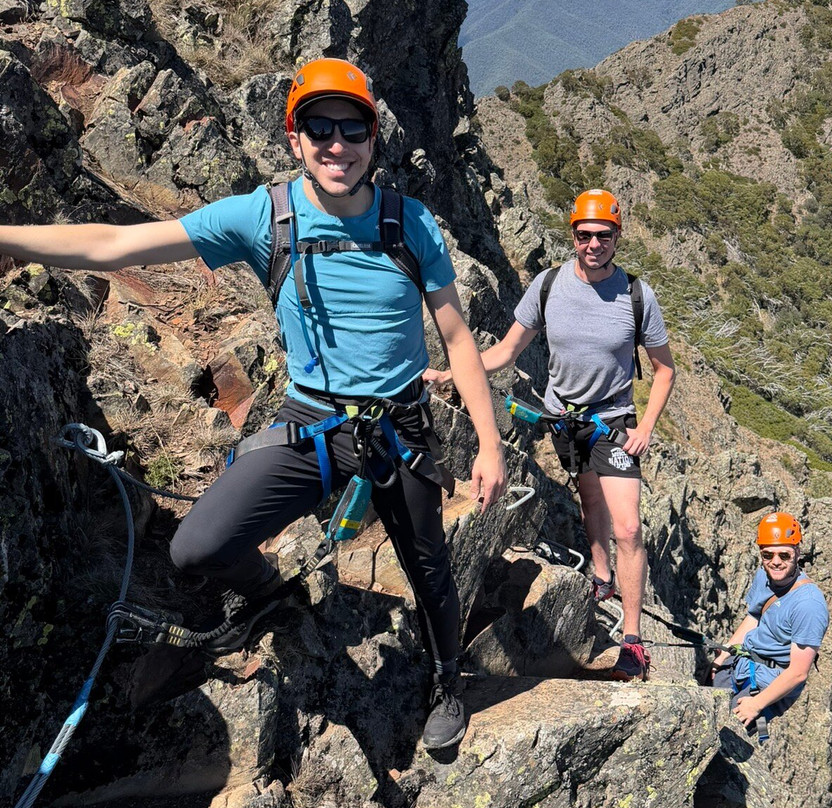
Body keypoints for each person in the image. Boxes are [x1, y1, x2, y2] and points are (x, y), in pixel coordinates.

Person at [0, 57, 507, 750]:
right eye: (317, 127)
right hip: (312, 421)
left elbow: (455, 335)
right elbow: (115, 244)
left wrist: (489, 444)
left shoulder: (409, 224)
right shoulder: (262, 216)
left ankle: (448, 678)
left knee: (429, 570)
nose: (336, 143)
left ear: (372, 140)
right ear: (293, 138)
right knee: (196, 546)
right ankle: (268, 588)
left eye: (351, 127)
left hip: (399, 424)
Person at [426, 188, 676, 681]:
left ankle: (632, 641)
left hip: (614, 423)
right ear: (573, 235)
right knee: (590, 504)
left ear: (617, 237)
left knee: (628, 527)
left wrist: (645, 426)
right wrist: (455, 374)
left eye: (603, 235)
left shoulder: (636, 296)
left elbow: (664, 369)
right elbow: (506, 351)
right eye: (584, 235)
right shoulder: (548, 285)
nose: (593, 244)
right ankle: (600, 575)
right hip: (565, 422)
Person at [711, 512, 829, 741]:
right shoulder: (764, 576)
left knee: (718, 737)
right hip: (742, 663)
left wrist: (756, 705)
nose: (775, 561)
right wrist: (724, 655)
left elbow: (798, 673)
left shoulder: (808, 605)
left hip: (766, 684)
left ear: (797, 553)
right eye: (768, 554)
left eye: (784, 555)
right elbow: (754, 617)